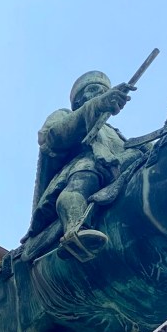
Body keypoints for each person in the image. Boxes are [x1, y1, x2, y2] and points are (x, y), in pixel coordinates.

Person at [25, 71, 135, 261]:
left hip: (116, 170)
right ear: (78, 100)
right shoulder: (65, 115)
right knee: (86, 174)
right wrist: (98, 104)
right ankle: (75, 229)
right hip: (81, 169)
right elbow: (52, 137)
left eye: (105, 91)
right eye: (95, 89)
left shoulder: (114, 132)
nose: (102, 93)